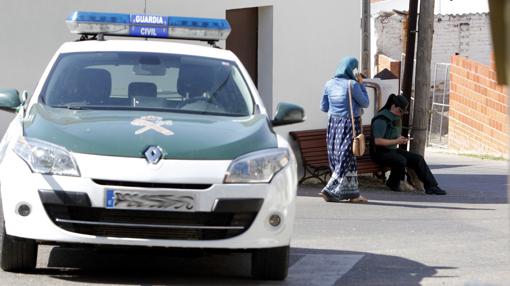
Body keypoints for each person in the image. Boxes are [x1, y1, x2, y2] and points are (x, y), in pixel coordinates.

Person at [369, 94, 447, 195]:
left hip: (391, 150)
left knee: (417, 159)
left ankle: (431, 186)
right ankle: (392, 183)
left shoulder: (394, 117)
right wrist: (396, 141)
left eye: (403, 112)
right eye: (400, 111)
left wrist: (401, 140)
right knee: (401, 160)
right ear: (393, 106)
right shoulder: (381, 119)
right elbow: (377, 141)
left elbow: (392, 136)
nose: (400, 114)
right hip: (379, 152)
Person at [319, 57, 370, 203]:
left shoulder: (328, 84)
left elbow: (323, 107)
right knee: (346, 157)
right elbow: (365, 103)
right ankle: (329, 189)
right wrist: (362, 84)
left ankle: (353, 195)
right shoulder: (352, 85)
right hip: (349, 125)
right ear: (352, 69)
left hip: (333, 125)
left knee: (342, 158)